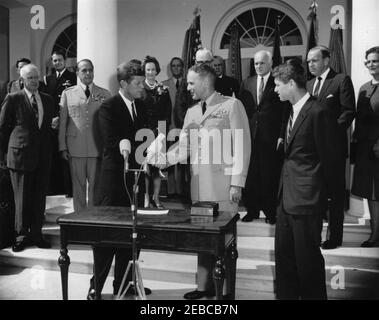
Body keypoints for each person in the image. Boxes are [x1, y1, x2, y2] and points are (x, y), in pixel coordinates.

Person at [156, 63, 251, 300]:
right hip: (199, 186)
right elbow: (185, 147)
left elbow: (242, 146)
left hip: (223, 187)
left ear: (205, 81)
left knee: (225, 242)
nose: (187, 87)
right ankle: (203, 287)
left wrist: (237, 183)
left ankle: (227, 291)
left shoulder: (231, 105)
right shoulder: (192, 112)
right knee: (202, 238)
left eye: (191, 82)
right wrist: (163, 160)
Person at [273, 58, 338, 300]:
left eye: (278, 85)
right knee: (285, 262)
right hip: (285, 200)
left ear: (291, 83)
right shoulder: (289, 111)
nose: (275, 89)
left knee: (308, 264)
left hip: (308, 200)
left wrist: (329, 203)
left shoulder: (318, 111)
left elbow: (330, 160)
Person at [87, 60, 151, 300]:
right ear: (123, 83)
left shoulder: (142, 107)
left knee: (131, 237)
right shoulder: (108, 108)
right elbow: (111, 142)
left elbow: (146, 138)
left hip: (136, 181)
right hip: (114, 183)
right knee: (105, 239)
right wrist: (129, 144)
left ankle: (124, 284)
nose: (141, 87)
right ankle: (96, 288)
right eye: (136, 83)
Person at [0, 64, 54, 252]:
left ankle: (37, 234)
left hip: (42, 157)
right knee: (21, 199)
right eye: (30, 78)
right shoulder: (13, 98)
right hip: (20, 156)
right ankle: (21, 236)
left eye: (36, 77)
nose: (34, 81)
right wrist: (6, 154)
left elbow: (46, 130)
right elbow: (3, 128)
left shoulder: (47, 100)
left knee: (39, 198)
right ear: (22, 80)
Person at [306, 45, 356, 249]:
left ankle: (334, 238)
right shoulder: (308, 85)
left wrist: (329, 134)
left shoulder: (340, 80)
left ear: (326, 60)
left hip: (333, 151)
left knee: (335, 196)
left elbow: (348, 111)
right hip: (312, 152)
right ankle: (314, 236)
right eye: (308, 61)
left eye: (314, 60)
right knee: (315, 196)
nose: (310, 64)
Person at [239, 50, 290, 224]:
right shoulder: (247, 82)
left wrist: (282, 135)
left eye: (261, 63)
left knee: (269, 176)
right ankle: (251, 210)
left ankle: (270, 212)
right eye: (255, 63)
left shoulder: (277, 82)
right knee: (250, 176)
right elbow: (241, 111)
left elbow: (285, 111)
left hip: (271, 138)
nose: (258, 66)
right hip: (250, 137)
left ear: (270, 64)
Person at [58, 59, 111, 213]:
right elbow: (63, 123)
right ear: (77, 73)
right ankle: (79, 219)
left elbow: (108, 124)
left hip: (97, 147)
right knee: (78, 187)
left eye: (90, 70)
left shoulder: (104, 94)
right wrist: (62, 146)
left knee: (96, 188)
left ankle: (93, 219)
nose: (88, 73)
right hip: (75, 148)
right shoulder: (68, 94)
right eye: (84, 70)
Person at [351, 46, 379, 247]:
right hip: (366, 150)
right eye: (368, 61)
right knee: (371, 193)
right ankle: (375, 234)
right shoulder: (363, 88)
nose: (370, 64)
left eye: (375, 61)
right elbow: (359, 120)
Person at [45, 50, 77, 197]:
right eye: (54, 60)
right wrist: (51, 118)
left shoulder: (72, 77)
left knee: (66, 157)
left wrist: (59, 117)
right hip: (52, 124)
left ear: (65, 61)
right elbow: (48, 100)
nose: (57, 63)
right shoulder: (48, 79)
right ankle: (55, 188)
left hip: (67, 121)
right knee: (54, 156)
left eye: (59, 60)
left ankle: (68, 189)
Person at [141, 55, 171, 208]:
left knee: (157, 166)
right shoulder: (140, 89)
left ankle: (156, 198)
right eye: (148, 70)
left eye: (153, 69)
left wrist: (162, 130)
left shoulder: (163, 89)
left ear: (157, 71)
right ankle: (146, 198)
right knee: (146, 166)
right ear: (144, 71)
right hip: (144, 132)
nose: (150, 72)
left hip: (159, 131)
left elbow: (167, 112)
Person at [162, 57, 192, 200]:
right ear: (170, 68)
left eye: (178, 65)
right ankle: (171, 189)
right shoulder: (163, 85)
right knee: (171, 156)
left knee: (182, 159)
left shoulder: (189, 83)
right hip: (170, 127)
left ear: (182, 67)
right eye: (173, 66)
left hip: (184, 126)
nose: (176, 68)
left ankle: (181, 189)